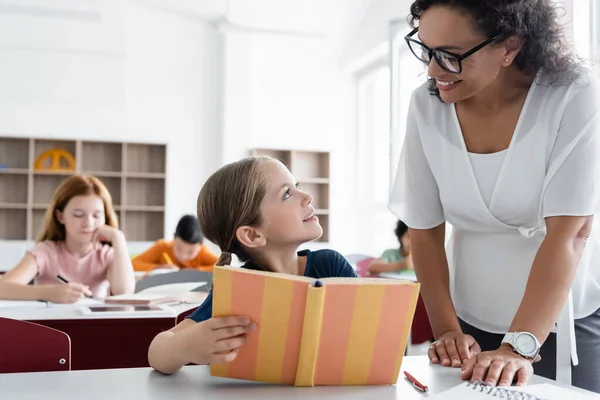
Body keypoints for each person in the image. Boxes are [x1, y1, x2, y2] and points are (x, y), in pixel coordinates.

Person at [390, 0, 600, 392]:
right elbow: (423, 229)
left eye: (451, 56)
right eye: (427, 50)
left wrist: (518, 346)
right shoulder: (426, 104)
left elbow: (571, 233)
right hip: (467, 319)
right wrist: (447, 330)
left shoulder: (574, 92)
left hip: (560, 319)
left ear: (510, 46)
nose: (434, 71)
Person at [148, 156, 357, 374]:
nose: (307, 197)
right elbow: (156, 352)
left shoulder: (330, 266)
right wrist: (185, 346)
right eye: (287, 194)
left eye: (297, 187)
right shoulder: (239, 288)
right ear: (252, 234)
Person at [0, 175, 135, 303]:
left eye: (97, 215)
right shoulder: (46, 252)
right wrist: (50, 293)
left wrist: (118, 238)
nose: (88, 223)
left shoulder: (106, 256)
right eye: (78, 215)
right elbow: (3, 288)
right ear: (60, 216)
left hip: (93, 327)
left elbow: (124, 293)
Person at [132, 215, 218, 272]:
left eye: (190, 252)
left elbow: (223, 266)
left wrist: (195, 271)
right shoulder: (162, 247)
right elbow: (132, 265)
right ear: (174, 238)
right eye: (178, 248)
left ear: (200, 247)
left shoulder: (202, 252)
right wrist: (159, 268)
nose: (183, 256)